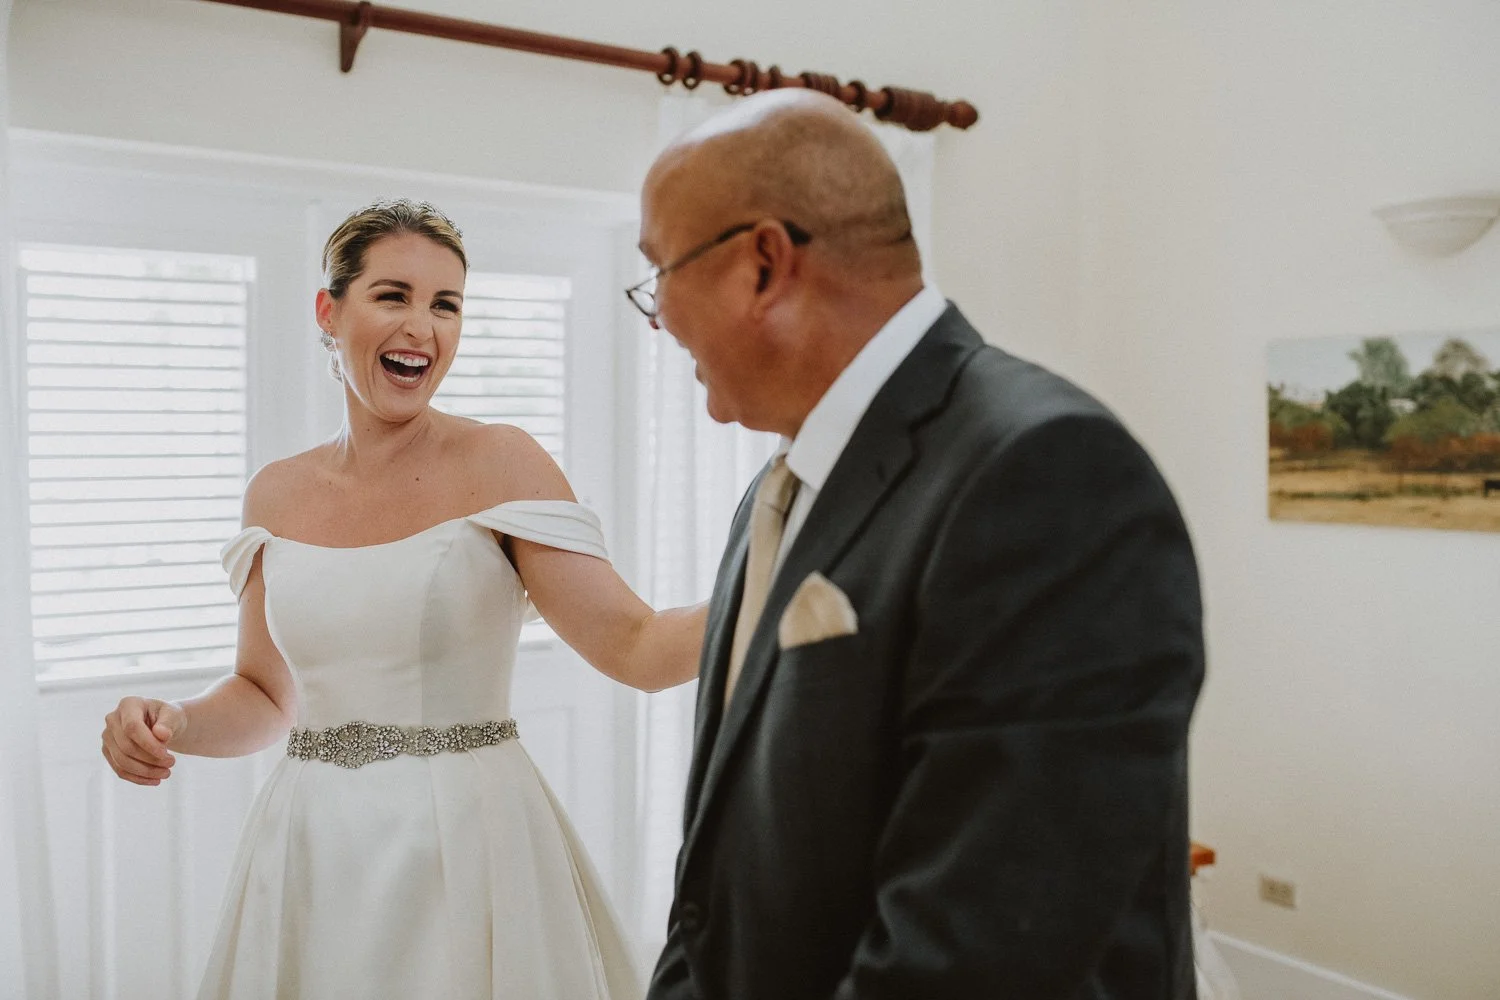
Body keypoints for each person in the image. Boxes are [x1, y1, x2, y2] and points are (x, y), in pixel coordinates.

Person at [633, 90, 1206, 1000]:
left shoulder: (1047, 474)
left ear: (762, 265)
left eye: (658, 271)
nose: (656, 314)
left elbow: (975, 957)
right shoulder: (776, 492)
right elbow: (714, 894)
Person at [100, 199, 702, 1000]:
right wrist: (172, 721)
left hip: (470, 847)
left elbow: (636, 644)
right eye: (393, 296)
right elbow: (266, 696)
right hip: (312, 852)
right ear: (329, 312)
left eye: (446, 304)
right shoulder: (274, 494)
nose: (422, 327)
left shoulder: (502, 461)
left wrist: (777, 581)